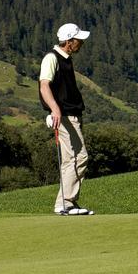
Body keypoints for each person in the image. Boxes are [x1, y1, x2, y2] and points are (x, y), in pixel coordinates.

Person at [39, 23, 94, 215]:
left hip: (72, 115)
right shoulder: (51, 58)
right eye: (79, 40)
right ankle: (65, 203)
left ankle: (67, 202)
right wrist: (54, 109)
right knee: (77, 157)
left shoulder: (66, 59)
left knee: (74, 158)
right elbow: (44, 85)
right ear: (69, 41)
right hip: (64, 116)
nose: (81, 43)